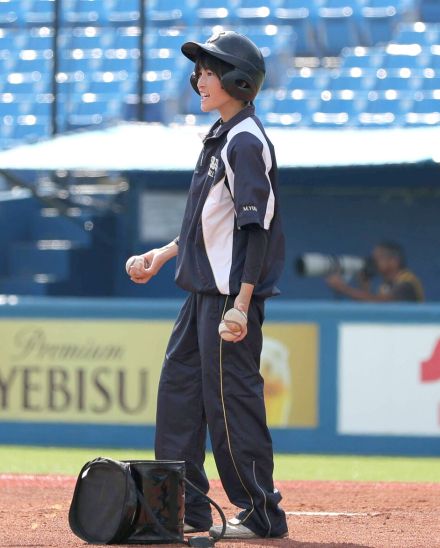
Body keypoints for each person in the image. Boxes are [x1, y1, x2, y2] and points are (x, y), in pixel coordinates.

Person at [127, 31, 288, 540]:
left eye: (210, 71)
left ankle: (262, 512)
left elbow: (254, 227)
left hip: (227, 302)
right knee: (178, 400)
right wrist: (164, 253)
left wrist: (242, 303)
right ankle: (185, 510)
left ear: (239, 80)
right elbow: (206, 223)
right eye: (199, 70)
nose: (199, 78)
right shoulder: (220, 134)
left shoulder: (245, 140)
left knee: (230, 407)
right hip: (199, 295)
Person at [326, 241, 424, 302]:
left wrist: (343, 288)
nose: (373, 262)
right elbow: (373, 309)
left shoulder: (406, 282)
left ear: (393, 261)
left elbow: (382, 304)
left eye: (378, 258)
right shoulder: (386, 285)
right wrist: (364, 286)